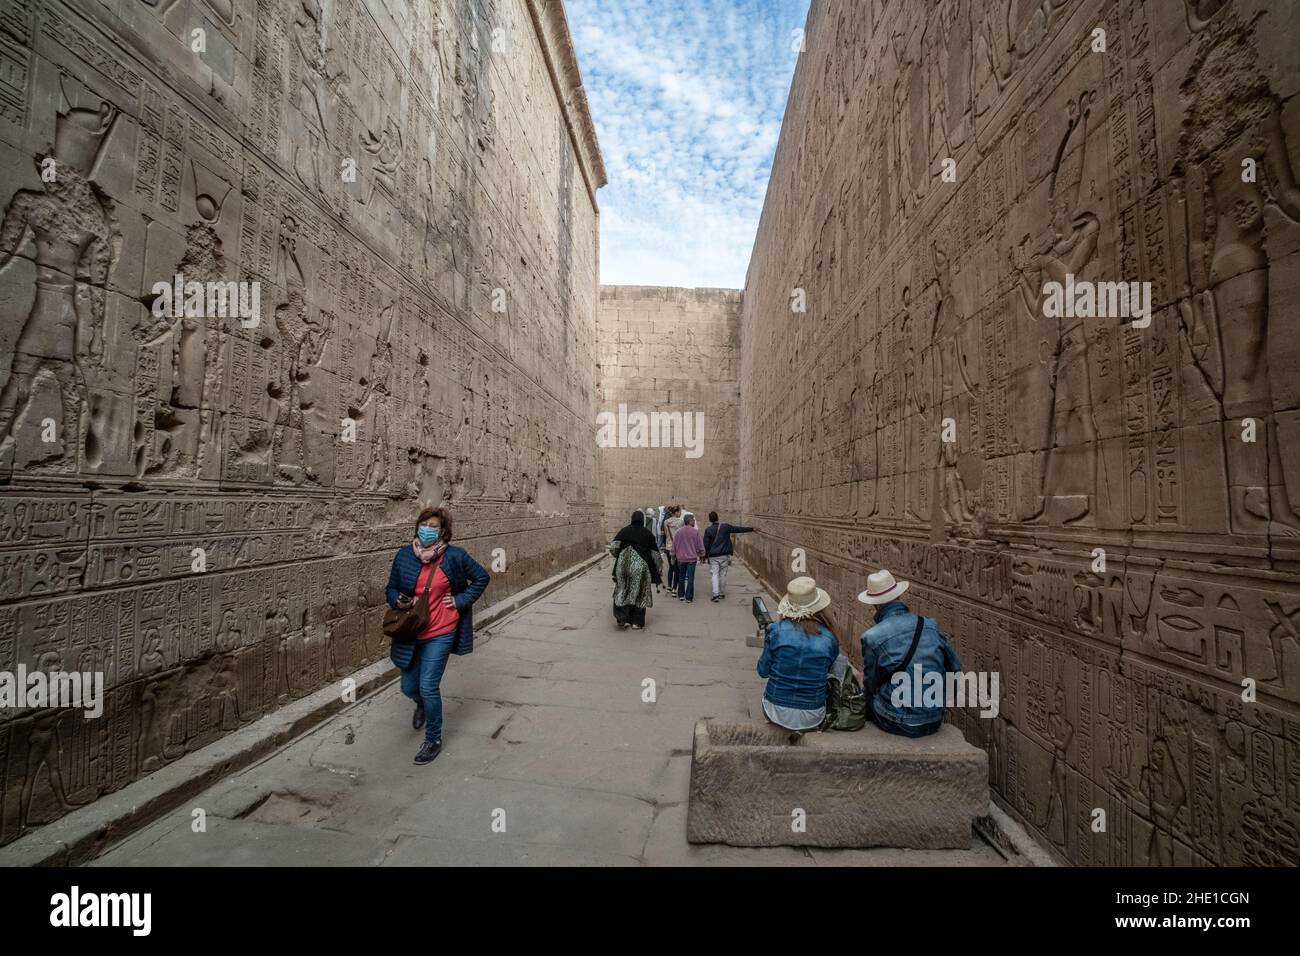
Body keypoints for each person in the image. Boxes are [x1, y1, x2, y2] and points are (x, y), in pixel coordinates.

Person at [385, 507, 491, 765]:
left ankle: (433, 739)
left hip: (441, 631)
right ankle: (420, 703)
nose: (427, 528)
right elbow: (391, 587)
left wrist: (459, 600)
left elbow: (481, 577)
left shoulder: (455, 556)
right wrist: (397, 598)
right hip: (411, 630)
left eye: (433, 525)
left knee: (429, 685)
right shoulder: (404, 555)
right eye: (424, 523)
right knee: (409, 686)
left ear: (443, 530)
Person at [857, 569, 961, 738]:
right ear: (898, 596)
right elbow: (954, 668)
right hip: (934, 719)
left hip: (897, 721)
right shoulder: (929, 625)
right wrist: (946, 699)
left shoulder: (872, 637)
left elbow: (871, 685)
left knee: (865, 681)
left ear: (874, 604)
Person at [757, 577, 840, 732]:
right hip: (813, 715)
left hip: (776, 710)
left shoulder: (776, 630)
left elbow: (763, 671)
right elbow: (830, 671)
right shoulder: (830, 638)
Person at [609, 511, 662, 629]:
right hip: (641, 567)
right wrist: (659, 569)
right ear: (642, 520)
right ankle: (636, 622)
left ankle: (623, 619)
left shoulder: (624, 531)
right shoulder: (647, 534)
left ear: (632, 519)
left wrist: (620, 556)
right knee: (640, 593)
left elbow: (613, 548)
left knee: (622, 590)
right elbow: (655, 555)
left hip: (623, 566)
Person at [702, 512, 756, 602]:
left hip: (713, 556)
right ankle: (722, 593)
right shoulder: (725, 527)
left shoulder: (708, 530)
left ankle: (716, 594)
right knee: (723, 574)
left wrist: (704, 556)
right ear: (717, 518)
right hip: (724, 555)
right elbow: (738, 529)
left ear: (709, 519)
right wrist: (752, 529)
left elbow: (706, 545)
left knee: (714, 574)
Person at [670, 513, 706, 602]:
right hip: (692, 559)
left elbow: (674, 545)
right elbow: (700, 545)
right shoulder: (695, 532)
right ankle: (689, 597)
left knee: (681, 576)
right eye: (693, 520)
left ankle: (681, 594)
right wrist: (702, 555)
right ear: (689, 521)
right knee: (690, 578)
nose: (694, 521)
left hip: (681, 559)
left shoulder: (679, 532)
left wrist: (673, 555)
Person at [663, 505, 684, 590]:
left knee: (671, 568)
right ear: (676, 512)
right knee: (677, 569)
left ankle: (669, 586)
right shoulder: (681, 522)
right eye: (679, 512)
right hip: (678, 547)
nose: (680, 513)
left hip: (669, 546)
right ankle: (674, 588)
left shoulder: (666, 522)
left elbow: (666, 533)